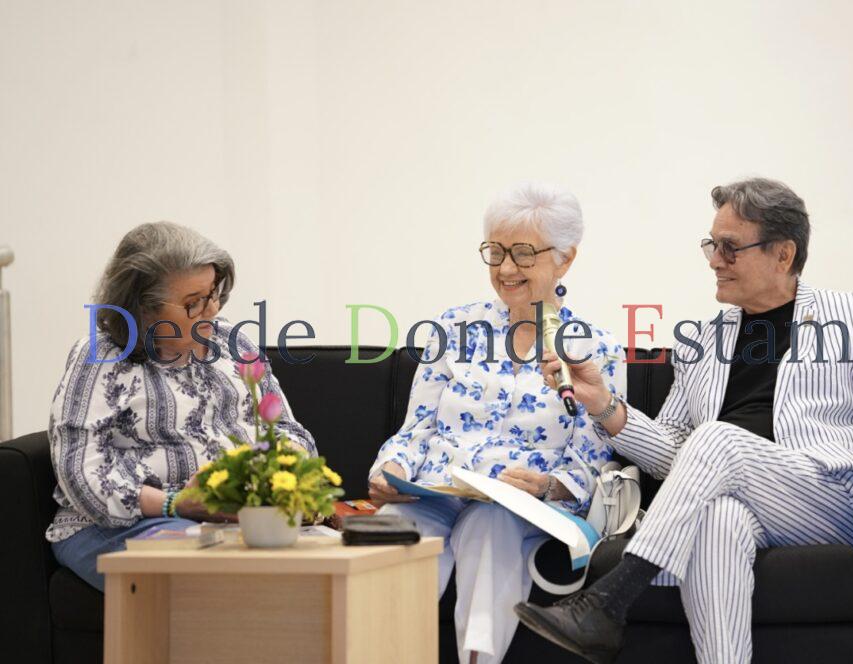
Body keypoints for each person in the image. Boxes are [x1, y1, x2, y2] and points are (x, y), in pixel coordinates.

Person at [516, 177, 853, 664]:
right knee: (719, 519)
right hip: (743, 493)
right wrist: (603, 405)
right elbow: (677, 452)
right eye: (711, 246)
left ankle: (609, 601)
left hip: (831, 497)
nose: (715, 260)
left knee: (719, 438)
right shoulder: (704, 340)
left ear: (783, 255)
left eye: (730, 248)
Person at [368, 182, 626, 664]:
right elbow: (416, 429)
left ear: (565, 259)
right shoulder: (452, 328)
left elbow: (591, 460)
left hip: (517, 507)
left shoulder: (594, 347)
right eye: (496, 252)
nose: (506, 268)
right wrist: (392, 469)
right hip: (436, 490)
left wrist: (548, 485)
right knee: (392, 529)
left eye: (524, 253)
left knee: (491, 526)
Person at [48, 221, 316, 591]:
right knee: (218, 572)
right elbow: (81, 472)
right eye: (194, 303)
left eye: (213, 293)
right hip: (119, 524)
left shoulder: (232, 343)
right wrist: (177, 504)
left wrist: (272, 478)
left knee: (317, 563)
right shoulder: (102, 357)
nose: (213, 308)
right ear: (142, 308)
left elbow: (288, 430)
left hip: (232, 517)